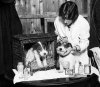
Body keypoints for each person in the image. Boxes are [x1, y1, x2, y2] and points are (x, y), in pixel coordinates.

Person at [54, 1, 90, 65]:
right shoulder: (57, 21)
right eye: (63, 17)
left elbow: (84, 42)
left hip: (80, 59)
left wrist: (72, 48)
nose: (65, 21)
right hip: (64, 59)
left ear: (74, 16)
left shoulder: (83, 23)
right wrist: (60, 42)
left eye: (68, 18)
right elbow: (58, 36)